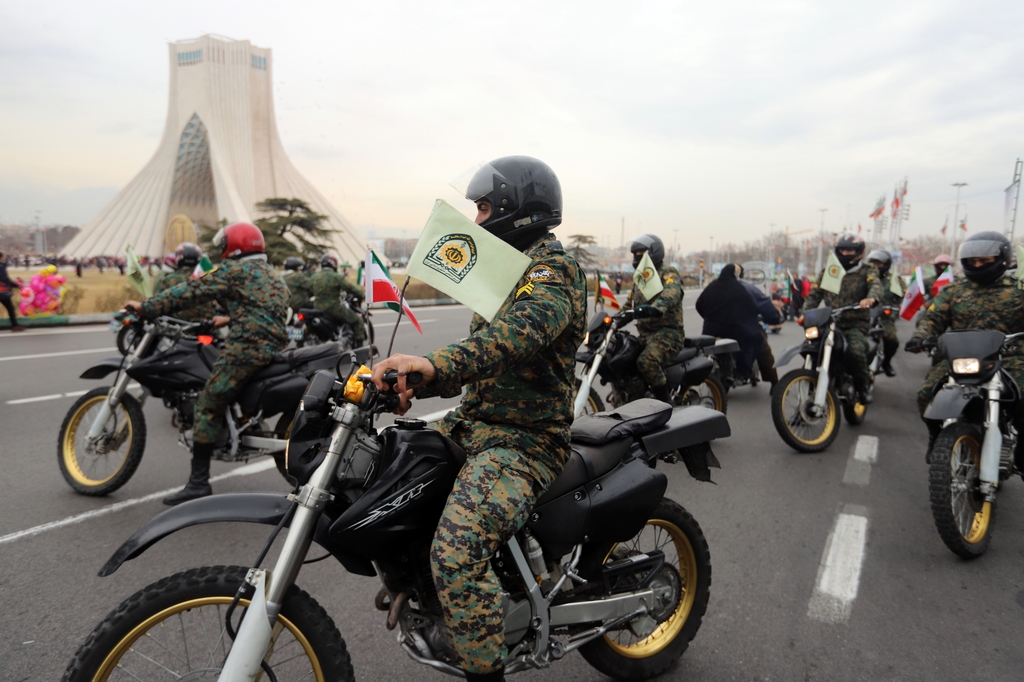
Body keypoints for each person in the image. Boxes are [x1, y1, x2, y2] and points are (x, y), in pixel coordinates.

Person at [371, 156, 585, 682]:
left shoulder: (550, 271)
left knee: (458, 552)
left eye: (485, 207)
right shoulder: (505, 269)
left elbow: (512, 340)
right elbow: (480, 354)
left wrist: (434, 364)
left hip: (525, 440)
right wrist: (417, 382)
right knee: (387, 475)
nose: (477, 219)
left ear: (518, 210)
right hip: (473, 424)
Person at [125, 222, 288, 505]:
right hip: (274, 346)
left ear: (233, 246)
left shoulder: (233, 271)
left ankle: (198, 483)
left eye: (224, 244)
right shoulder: (272, 275)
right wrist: (229, 317)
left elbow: (190, 292)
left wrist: (147, 307)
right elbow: (263, 307)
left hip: (247, 348)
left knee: (208, 402)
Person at [906, 232, 1024, 461]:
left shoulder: (1019, 290)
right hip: (963, 358)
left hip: (1010, 357)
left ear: (1001, 258)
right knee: (926, 394)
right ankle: (938, 435)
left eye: (984, 261)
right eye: (973, 261)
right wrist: (921, 336)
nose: (978, 265)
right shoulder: (954, 290)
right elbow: (933, 318)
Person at [801, 233, 881, 404]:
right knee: (811, 348)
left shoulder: (867, 271)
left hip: (855, 324)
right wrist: (805, 313)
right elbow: (814, 295)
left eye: (850, 250)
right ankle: (805, 399)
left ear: (859, 253)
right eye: (842, 250)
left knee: (855, 351)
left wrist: (871, 298)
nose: (845, 253)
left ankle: (862, 386)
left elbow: (875, 286)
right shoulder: (830, 271)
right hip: (829, 322)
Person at [626, 234, 685, 403]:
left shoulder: (668, 273)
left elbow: (672, 293)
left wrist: (656, 308)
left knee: (647, 362)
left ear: (654, 252)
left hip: (668, 334)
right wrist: (612, 320)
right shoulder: (641, 277)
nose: (638, 256)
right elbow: (630, 304)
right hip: (645, 335)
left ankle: (667, 404)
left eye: (642, 252)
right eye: (635, 253)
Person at [696, 264, 764, 384]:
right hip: (735, 331)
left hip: (710, 331)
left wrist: (709, 318)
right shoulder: (739, 288)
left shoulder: (711, 287)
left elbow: (699, 305)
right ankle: (743, 371)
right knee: (755, 341)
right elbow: (751, 308)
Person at [150, 243, 221, 323]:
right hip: (208, 324)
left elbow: (156, 303)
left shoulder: (169, 279)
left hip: (180, 327)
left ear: (178, 258)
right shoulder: (209, 278)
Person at [736, 264, 783, 387]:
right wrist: (775, 318)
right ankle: (775, 383)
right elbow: (766, 306)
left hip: (718, 329)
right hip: (744, 329)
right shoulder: (749, 288)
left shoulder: (715, 287)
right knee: (764, 350)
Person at [309, 253, 366, 346]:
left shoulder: (314, 277)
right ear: (332, 263)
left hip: (317, 308)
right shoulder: (336, 277)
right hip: (334, 308)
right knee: (357, 321)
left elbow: (310, 289)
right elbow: (350, 288)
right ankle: (360, 348)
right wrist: (362, 295)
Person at [866, 249, 900, 377]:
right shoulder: (864, 277)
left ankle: (886, 362)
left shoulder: (894, 280)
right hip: (864, 315)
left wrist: (899, 305)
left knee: (892, 340)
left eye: (879, 264)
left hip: (885, 317)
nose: (875, 266)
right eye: (873, 263)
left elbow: (904, 296)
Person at [0, 251, 25, 332]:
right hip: (2, 292)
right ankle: (15, 325)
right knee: (10, 308)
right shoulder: (1, 266)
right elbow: (4, 278)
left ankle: (15, 325)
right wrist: (15, 285)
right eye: (3, 256)